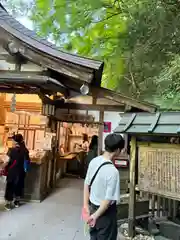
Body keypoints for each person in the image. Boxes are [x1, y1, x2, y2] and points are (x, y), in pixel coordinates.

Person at [83, 133, 124, 240]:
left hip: (92, 208)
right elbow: (107, 201)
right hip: (105, 215)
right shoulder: (113, 171)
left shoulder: (94, 161)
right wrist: (95, 216)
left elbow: (86, 185)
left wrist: (86, 206)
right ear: (118, 150)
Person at [3, 134, 30, 211]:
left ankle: (8, 204)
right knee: (19, 185)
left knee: (10, 186)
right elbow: (27, 161)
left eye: (13, 140)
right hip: (21, 171)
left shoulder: (11, 150)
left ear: (15, 141)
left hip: (12, 171)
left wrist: (2, 167)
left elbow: (6, 162)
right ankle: (17, 202)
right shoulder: (25, 150)